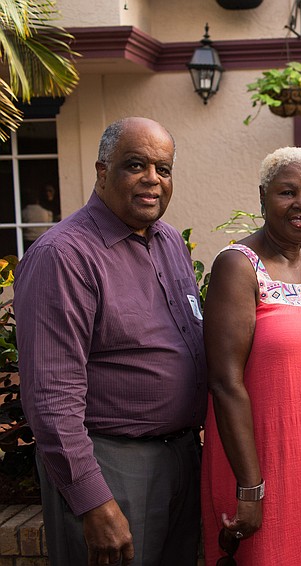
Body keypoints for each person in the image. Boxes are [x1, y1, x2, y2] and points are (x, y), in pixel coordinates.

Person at [15, 117, 206, 565]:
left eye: (163, 169)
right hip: (111, 464)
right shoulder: (63, 255)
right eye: (135, 165)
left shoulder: (169, 241)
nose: (152, 179)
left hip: (180, 457)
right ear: (102, 172)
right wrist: (92, 500)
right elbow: (51, 395)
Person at [201, 147, 301, 565]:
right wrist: (250, 487)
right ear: (262, 197)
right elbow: (224, 382)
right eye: (287, 192)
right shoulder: (238, 266)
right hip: (265, 472)